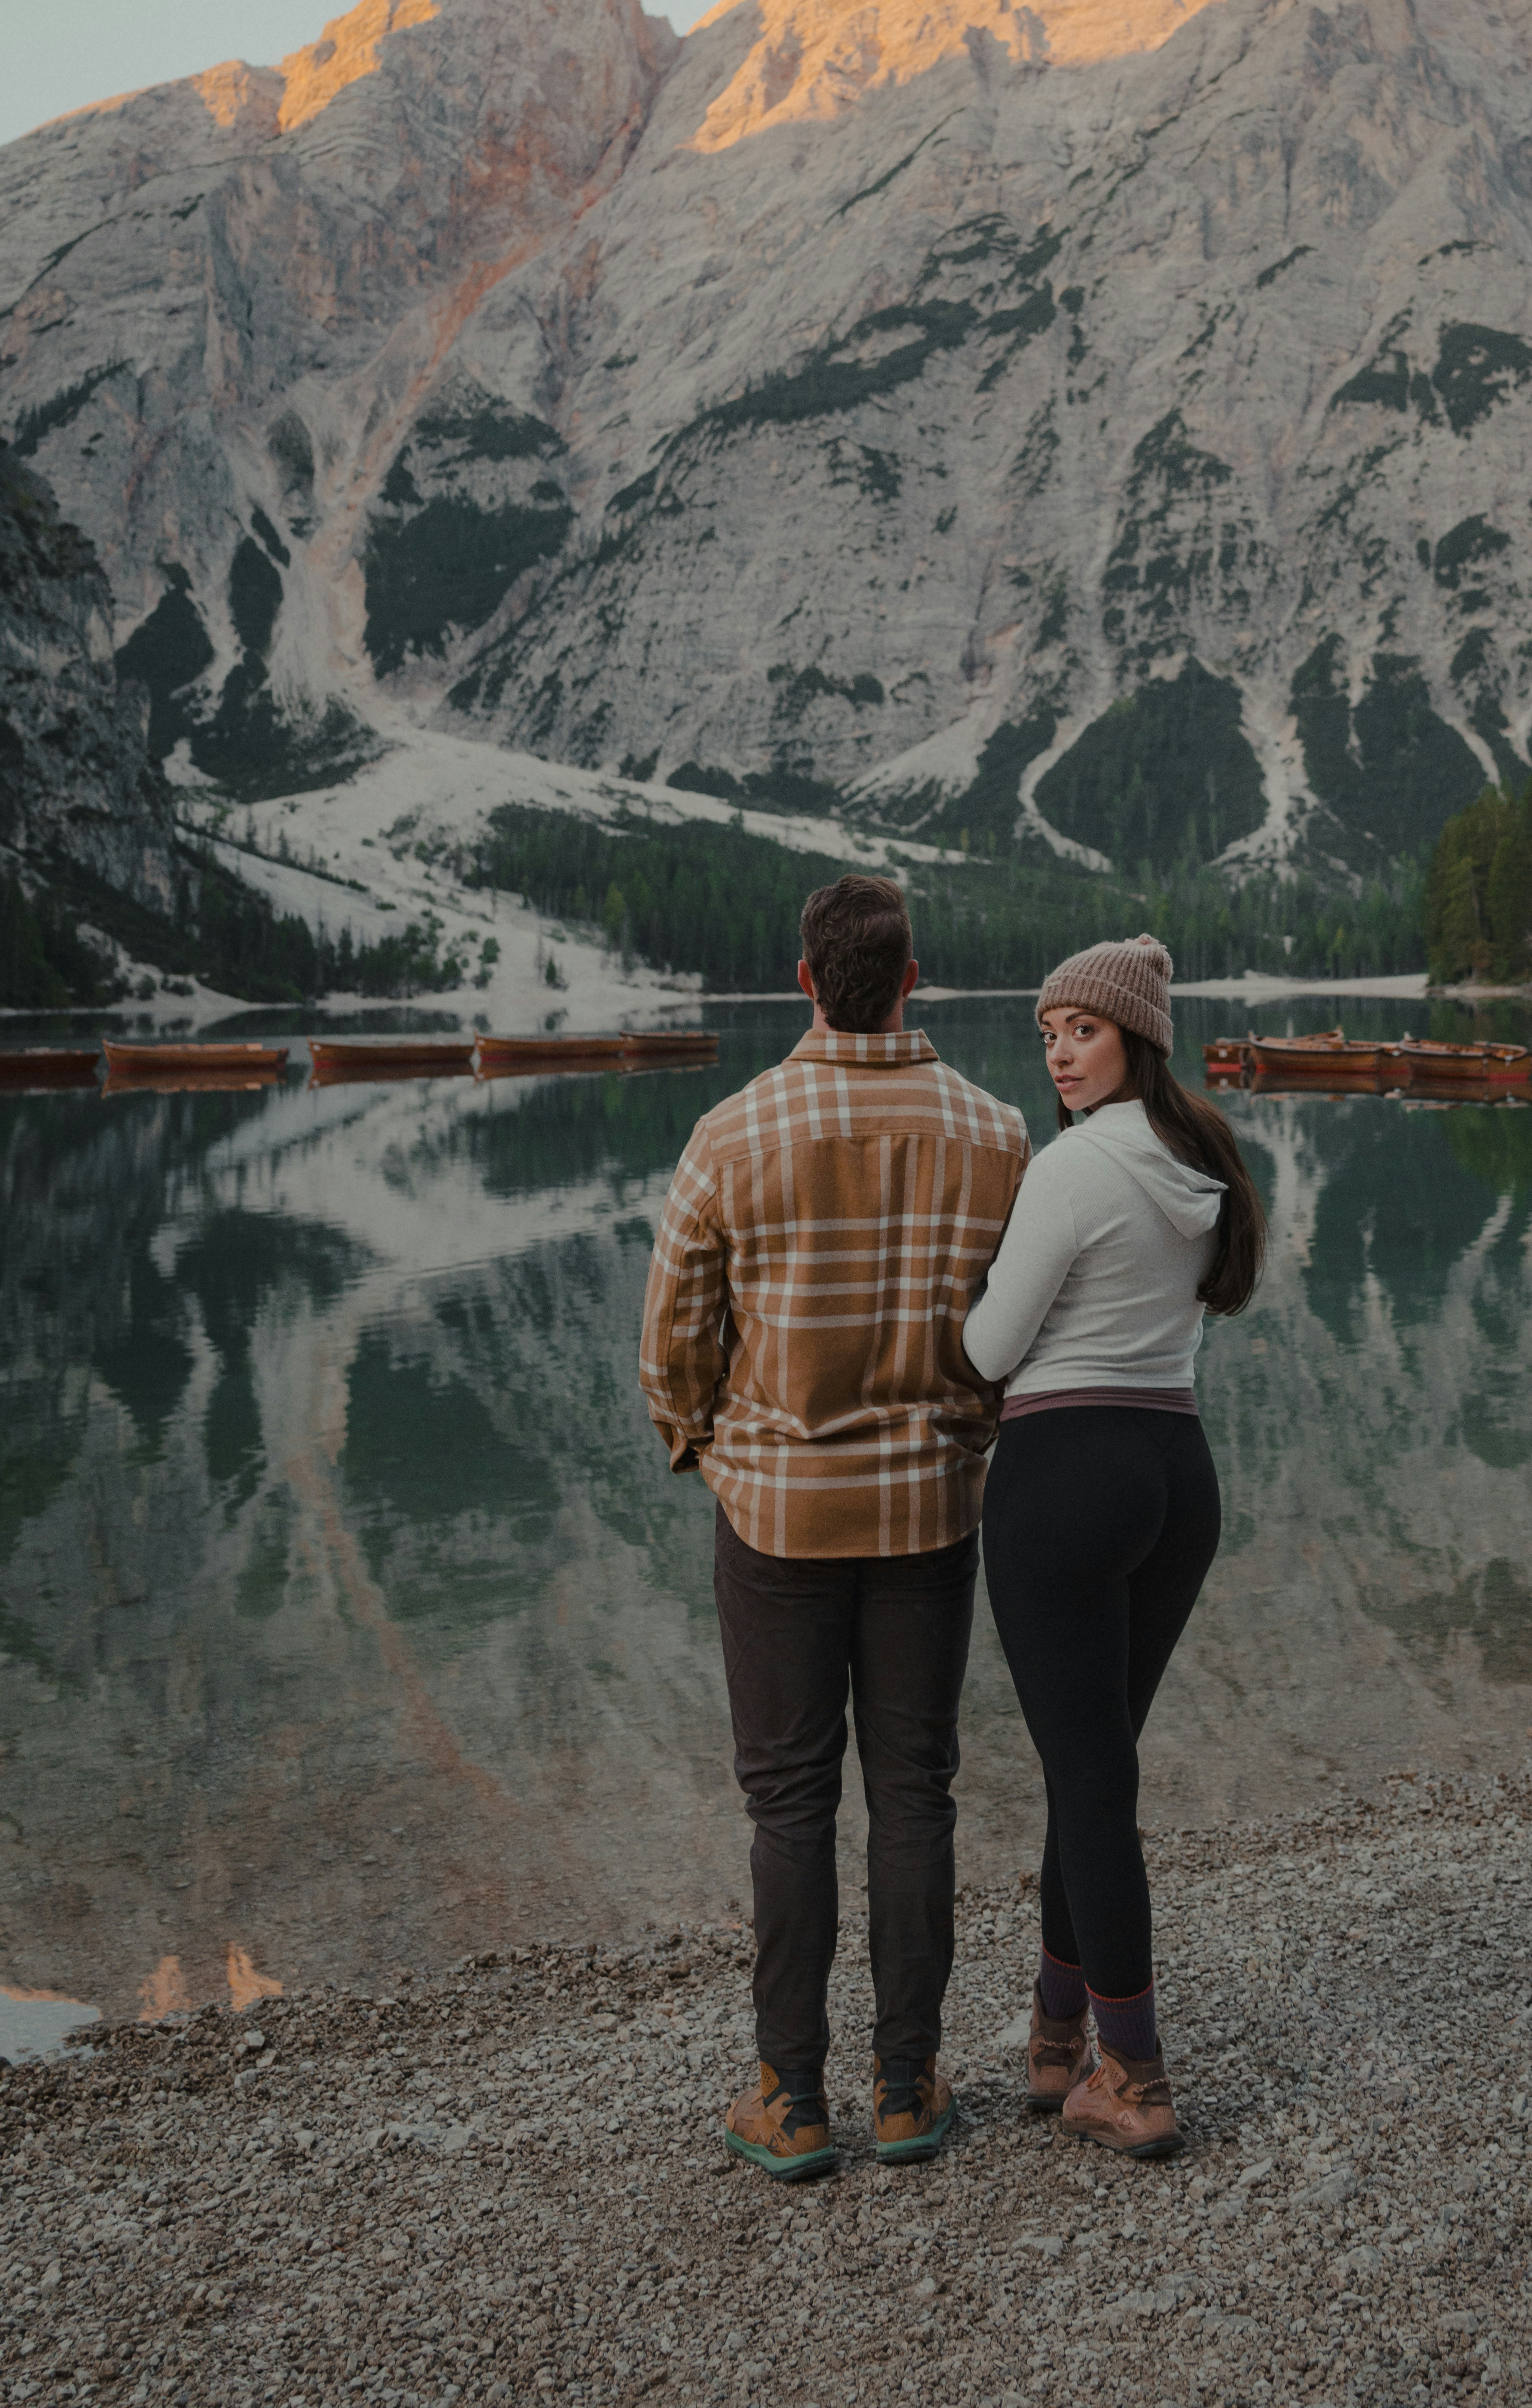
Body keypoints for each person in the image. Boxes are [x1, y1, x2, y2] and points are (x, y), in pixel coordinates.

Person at [638, 873, 1030, 2178]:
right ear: (913, 978)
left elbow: (673, 1342)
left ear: (804, 981)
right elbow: (1018, 1336)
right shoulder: (996, 1133)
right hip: (928, 1512)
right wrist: (969, 1437)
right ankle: (909, 2088)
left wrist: (708, 1448)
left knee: (789, 1804)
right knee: (915, 1791)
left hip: (778, 1520)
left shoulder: (731, 1132)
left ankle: (791, 2099)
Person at [965, 934, 1266, 2157]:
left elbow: (990, 1351)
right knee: (1086, 1761)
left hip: (1064, 1477)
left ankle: (1131, 2075)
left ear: (1133, 1036)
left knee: (1090, 1778)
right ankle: (1053, 2042)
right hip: (1172, 1475)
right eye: (1046, 1034)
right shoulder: (1200, 1163)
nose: (1057, 1053)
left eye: (1078, 1031)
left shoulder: (1073, 1168)